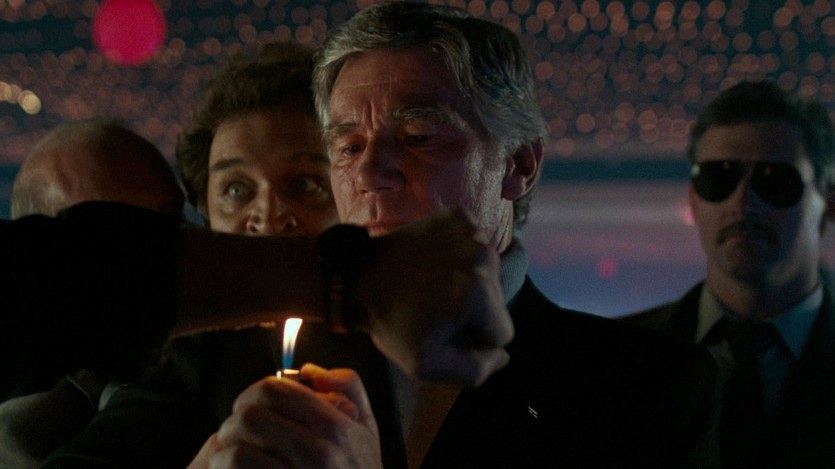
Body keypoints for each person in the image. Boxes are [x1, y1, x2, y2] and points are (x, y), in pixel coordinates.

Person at [193, 3, 721, 468]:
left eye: (418, 138)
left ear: (518, 164)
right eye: (349, 147)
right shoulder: (229, 363)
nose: (370, 172)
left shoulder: (646, 385)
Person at [36, 42, 510, 469]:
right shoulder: (187, 360)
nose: (266, 217)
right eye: (236, 189)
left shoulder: (422, 348)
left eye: (304, 184)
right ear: (204, 212)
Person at [621, 80, 835, 468]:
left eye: (774, 180)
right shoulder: (617, 361)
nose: (743, 201)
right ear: (693, 200)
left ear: (829, 203)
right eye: (718, 177)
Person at [0, 118, 186, 468]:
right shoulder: (25, 437)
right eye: (113, 244)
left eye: (169, 228)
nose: (152, 264)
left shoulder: (206, 366)